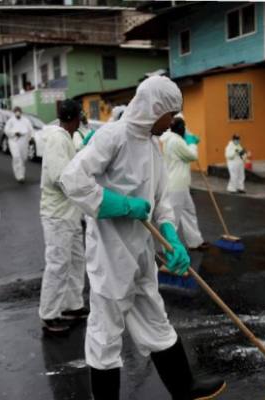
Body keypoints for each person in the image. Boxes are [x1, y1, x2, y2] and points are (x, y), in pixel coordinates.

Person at [61, 76, 226, 400]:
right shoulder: (114, 136)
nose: (172, 122)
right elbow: (72, 180)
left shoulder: (154, 145)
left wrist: (171, 237)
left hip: (140, 252)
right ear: (154, 109)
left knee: (155, 319)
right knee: (106, 335)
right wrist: (120, 204)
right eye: (170, 115)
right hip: (110, 255)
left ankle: (184, 387)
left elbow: (161, 199)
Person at [38, 99, 88, 334]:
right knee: (58, 264)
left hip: (70, 213)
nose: (81, 120)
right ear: (75, 117)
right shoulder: (58, 138)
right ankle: (50, 315)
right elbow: (60, 177)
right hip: (58, 215)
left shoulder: (66, 138)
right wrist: (87, 187)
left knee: (76, 260)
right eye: (80, 116)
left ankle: (71, 305)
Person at [160, 116, 208, 251]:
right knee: (173, 219)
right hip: (176, 186)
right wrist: (192, 143)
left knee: (189, 211)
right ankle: (169, 249)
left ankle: (195, 241)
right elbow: (192, 156)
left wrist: (187, 140)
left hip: (180, 185)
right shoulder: (176, 141)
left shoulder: (169, 139)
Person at [5, 106, 33, 183]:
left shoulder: (26, 121)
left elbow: (30, 130)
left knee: (23, 158)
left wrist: (30, 139)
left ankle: (22, 174)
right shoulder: (10, 121)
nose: (18, 112)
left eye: (19, 111)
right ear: (14, 112)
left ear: (21, 112)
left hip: (24, 141)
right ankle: (19, 176)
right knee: (16, 157)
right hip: (14, 141)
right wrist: (14, 133)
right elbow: (6, 131)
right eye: (16, 111)